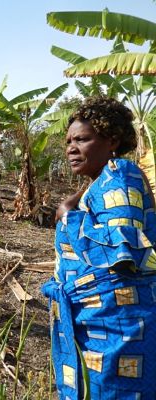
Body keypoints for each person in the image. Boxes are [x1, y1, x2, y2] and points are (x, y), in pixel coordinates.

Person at [42, 96, 156, 399]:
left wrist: (68, 217)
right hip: (95, 321)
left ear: (112, 140)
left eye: (82, 139)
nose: (71, 147)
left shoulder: (120, 174)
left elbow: (121, 250)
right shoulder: (98, 183)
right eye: (68, 141)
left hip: (119, 324)